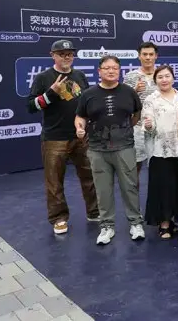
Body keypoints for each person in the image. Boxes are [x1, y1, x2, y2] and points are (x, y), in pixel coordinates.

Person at [27, 39, 98, 235]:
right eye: (62, 54)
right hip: (54, 138)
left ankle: (94, 211)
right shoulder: (43, 77)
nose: (66, 57)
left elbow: (86, 102)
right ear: (53, 55)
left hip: (81, 136)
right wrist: (50, 93)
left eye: (69, 54)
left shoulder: (80, 75)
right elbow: (31, 107)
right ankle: (59, 218)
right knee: (54, 181)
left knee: (90, 176)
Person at [75, 55, 145, 245]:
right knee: (103, 190)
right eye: (106, 68)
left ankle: (136, 223)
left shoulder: (129, 92)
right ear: (99, 71)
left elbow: (136, 115)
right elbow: (80, 116)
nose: (111, 71)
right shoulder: (88, 94)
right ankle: (107, 226)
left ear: (119, 71)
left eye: (115, 68)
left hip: (125, 148)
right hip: (97, 150)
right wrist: (79, 127)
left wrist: (123, 131)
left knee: (130, 187)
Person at [142, 65, 178, 239]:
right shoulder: (151, 99)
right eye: (160, 77)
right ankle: (164, 223)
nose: (164, 80)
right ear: (155, 81)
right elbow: (148, 124)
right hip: (160, 151)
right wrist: (149, 125)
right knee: (162, 189)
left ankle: (173, 219)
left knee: (177, 187)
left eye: (167, 76)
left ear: (173, 78)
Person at [123, 42, 160, 185]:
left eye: (151, 54)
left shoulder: (162, 75)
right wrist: (135, 91)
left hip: (158, 128)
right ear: (139, 56)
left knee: (158, 168)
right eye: (145, 54)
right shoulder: (131, 76)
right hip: (137, 127)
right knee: (134, 168)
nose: (148, 57)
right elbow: (123, 102)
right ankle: (133, 198)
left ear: (156, 56)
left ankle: (156, 199)